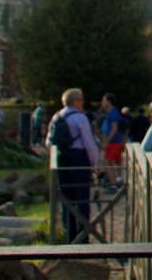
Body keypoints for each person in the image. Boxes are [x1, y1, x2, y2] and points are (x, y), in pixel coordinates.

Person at [48, 88, 100, 243]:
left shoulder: (57, 116)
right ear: (75, 101)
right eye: (81, 100)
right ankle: (83, 236)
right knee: (82, 199)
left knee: (67, 199)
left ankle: (68, 236)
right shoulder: (80, 118)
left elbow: (48, 141)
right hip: (78, 158)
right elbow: (89, 143)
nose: (83, 103)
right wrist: (94, 164)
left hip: (62, 159)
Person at [99, 93, 126, 188]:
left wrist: (106, 141)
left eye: (104, 101)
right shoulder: (111, 112)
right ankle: (116, 181)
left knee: (107, 161)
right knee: (112, 162)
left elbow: (114, 129)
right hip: (116, 141)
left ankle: (113, 184)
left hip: (114, 142)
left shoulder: (112, 113)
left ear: (109, 102)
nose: (102, 103)